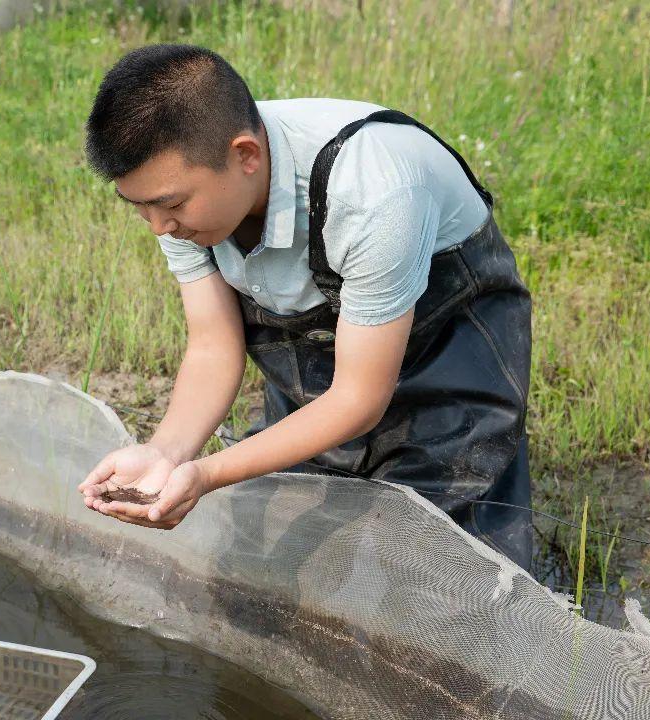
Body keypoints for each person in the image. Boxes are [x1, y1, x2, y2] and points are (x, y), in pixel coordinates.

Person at [76, 44, 533, 568]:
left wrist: (207, 474)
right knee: (288, 544)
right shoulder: (183, 193)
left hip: (446, 341)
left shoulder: (374, 191)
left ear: (246, 155)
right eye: (141, 209)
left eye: (172, 206)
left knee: (441, 563)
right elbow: (211, 346)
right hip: (326, 348)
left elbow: (358, 397)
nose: (160, 227)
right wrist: (166, 453)